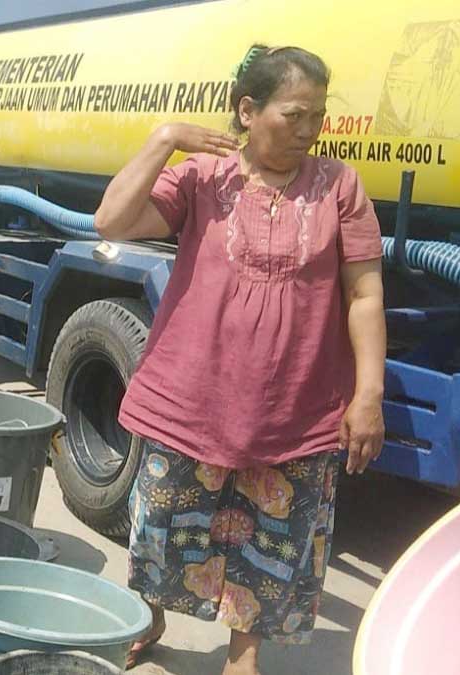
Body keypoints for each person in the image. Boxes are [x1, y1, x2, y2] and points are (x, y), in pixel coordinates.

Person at [94, 46, 385, 674]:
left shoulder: (339, 187)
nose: (309, 130)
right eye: (294, 115)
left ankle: (243, 656)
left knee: (274, 533)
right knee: (164, 517)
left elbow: (364, 295)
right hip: (191, 392)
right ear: (247, 111)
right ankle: (149, 612)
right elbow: (111, 222)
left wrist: (369, 395)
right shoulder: (203, 177)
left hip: (297, 401)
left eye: (318, 116)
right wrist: (164, 139)